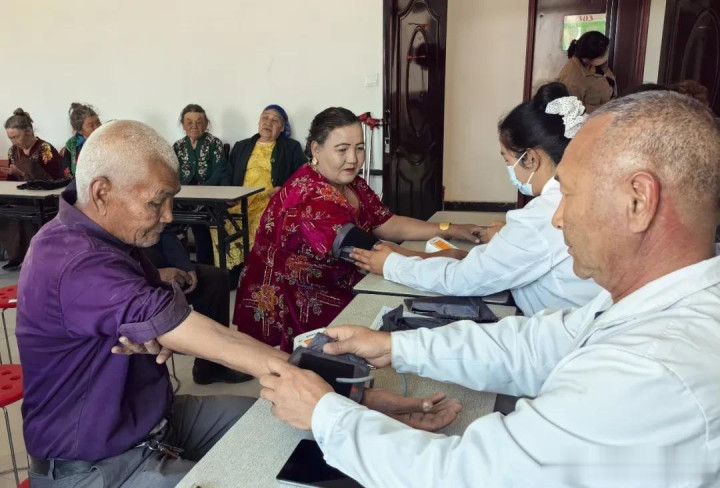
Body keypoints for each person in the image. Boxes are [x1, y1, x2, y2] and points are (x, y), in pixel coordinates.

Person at [261, 92, 720, 486]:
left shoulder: (651, 372)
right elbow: (540, 344)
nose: (558, 218)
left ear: (638, 201)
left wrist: (326, 415)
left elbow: (465, 475)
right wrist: (396, 347)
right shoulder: (653, 303)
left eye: (570, 194)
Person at [18, 120, 465, 487]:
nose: (169, 216)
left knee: (296, 426)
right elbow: (214, 339)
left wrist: (161, 329)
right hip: (100, 464)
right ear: (101, 192)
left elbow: (164, 320)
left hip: (159, 419)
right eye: (157, 203)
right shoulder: (75, 260)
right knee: (294, 431)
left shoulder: (107, 235)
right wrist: (365, 399)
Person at [233, 107, 484, 352]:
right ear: (316, 149)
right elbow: (370, 252)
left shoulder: (350, 183)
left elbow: (387, 223)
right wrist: (438, 258)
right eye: (342, 149)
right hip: (295, 296)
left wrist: (450, 229)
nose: (353, 159)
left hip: (333, 281)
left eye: (360, 148)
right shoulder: (310, 196)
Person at [351, 83, 602, 316]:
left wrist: (393, 265)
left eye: (507, 159)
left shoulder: (545, 214)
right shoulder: (588, 191)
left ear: (531, 158)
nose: (352, 159)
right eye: (342, 149)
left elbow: (464, 278)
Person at [217, 105, 306, 281]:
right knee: (218, 221)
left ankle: (258, 272)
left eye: (275, 120)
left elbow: (303, 176)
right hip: (240, 201)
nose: (268, 123)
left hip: (271, 201)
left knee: (263, 222)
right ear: (258, 122)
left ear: (282, 128)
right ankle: (233, 270)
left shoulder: (291, 147)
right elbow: (227, 173)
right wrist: (228, 192)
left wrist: (284, 190)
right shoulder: (242, 146)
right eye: (265, 118)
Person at [1, 108, 64, 271]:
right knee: (7, 212)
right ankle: (15, 255)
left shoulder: (45, 149)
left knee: (29, 214)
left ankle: (35, 257)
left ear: (28, 131)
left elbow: (56, 179)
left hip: (46, 197)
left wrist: (24, 173)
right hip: (22, 195)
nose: (14, 141)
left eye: (16, 137)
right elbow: (12, 181)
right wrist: (13, 174)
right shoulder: (13, 151)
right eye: (10, 138)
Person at [172, 104, 228, 265]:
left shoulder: (214, 143)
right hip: (182, 196)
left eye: (199, 121)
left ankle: (205, 265)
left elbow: (219, 170)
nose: (194, 126)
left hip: (207, 197)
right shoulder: (178, 146)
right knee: (167, 221)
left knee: (200, 223)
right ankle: (180, 263)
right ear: (183, 125)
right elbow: (172, 171)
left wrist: (204, 189)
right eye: (189, 122)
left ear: (206, 123)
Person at [558, 31, 616, 113]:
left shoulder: (598, 64)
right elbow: (571, 110)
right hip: (593, 118)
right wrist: (604, 109)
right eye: (605, 53)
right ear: (588, 59)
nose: (607, 52)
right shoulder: (571, 78)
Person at [61, 102, 102, 178]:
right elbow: (67, 172)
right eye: (91, 125)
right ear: (79, 130)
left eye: (98, 123)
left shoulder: (108, 140)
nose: (97, 128)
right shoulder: (72, 145)